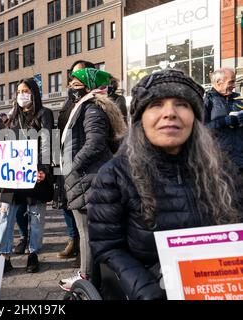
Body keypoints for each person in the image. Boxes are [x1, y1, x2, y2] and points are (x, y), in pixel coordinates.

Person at [88, 69, 243, 300]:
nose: (170, 113)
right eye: (156, 104)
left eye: (181, 104)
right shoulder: (115, 175)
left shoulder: (224, 171)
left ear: (195, 117)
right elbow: (107, 247)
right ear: (141, 118)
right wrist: (145, 289)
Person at [58, 68, 126, 291]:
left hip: (87, 177)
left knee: (86, 232)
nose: (71, 88)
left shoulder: (91, 109)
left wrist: (71, 166)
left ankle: (86, 279)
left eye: (76, 84)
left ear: (87, 86)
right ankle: (90, 277)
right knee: (88, 231)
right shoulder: (90, 106)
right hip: (87, 177)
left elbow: (94, 143)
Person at [0, 78, 54, 273]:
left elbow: (47, 142)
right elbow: (3, 144)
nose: (21, 94)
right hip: (11, 176)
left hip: (35, 174)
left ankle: (33, 254)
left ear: (34, 92)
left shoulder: (44, 114)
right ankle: (3, 256)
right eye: (18, 91)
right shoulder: (13, 115)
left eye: (25, 90)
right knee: (4, 214)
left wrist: (44, 169)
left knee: (36, 217)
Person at [56, 60, 96, 266]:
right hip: (68, 166)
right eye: (73, 75)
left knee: (87, 225)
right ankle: (76, 243)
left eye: (81, 75)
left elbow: (96, 141)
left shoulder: (95, 103)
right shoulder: (69, 102)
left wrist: (73, 164)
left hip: (83, 170)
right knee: (69, 208)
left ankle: (86, 267)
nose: (75, 79)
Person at [204, 68, 243, 173]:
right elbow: (201, 129)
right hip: (219, 163)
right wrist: (225, 121)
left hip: (240, 161)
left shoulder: (238, 101)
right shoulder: (207, 101)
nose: (234, 86)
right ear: (218, 82)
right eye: (231, 82)